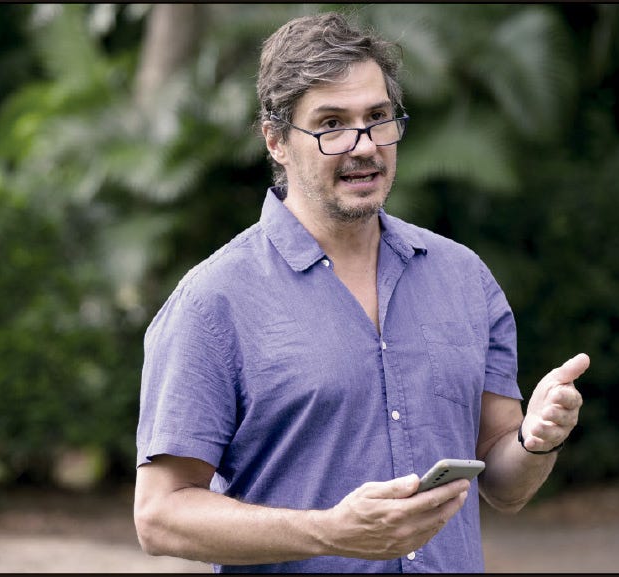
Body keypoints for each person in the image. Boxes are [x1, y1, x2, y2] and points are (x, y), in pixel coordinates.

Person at [134, 11, 588, 573]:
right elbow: (159, 516)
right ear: (276, 140)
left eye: (378, 118)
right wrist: (328, 532)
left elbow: (504, 488)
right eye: (331, 124)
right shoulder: (213, 302)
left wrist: (536, 440)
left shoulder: (464, 278)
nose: (364, 145)